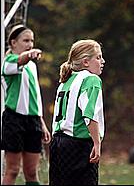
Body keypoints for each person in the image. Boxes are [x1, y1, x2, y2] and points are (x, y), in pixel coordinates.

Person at [49, 39, 105, 185]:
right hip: (78, 146)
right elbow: (89, 115)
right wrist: (97, 143)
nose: (102, 61)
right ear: (86, 62)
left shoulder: (65, 80)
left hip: (58, 144)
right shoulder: (91, 79)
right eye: (98, 57)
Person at [1, 24, 51, 185]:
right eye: (26, 40)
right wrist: (30, 54)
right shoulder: (8, 62)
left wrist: (41, 123)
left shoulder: (32, 66)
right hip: (14, 120)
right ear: (13, 42)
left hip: (33, 121)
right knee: (13, 170)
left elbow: (35, 96)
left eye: (32, 41)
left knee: (31, 172)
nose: (30, 44)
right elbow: (20, 60)